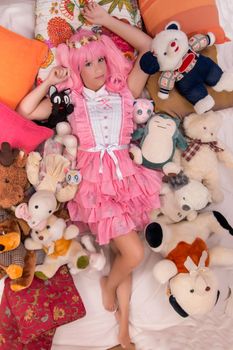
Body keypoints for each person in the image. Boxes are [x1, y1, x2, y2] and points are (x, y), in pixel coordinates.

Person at [17, 3, 162, 348]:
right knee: (134, 255)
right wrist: (51, 80)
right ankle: (110, 286)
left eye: (100, 60)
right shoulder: (71, 101)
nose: (97, 68)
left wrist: (106, 20)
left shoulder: (124, 91)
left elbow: (149, 49)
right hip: (95, 185)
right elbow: (25, 110)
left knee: (127, 253)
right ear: (76, 69)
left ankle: (123, 329)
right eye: (88, 63)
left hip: (128, 179)